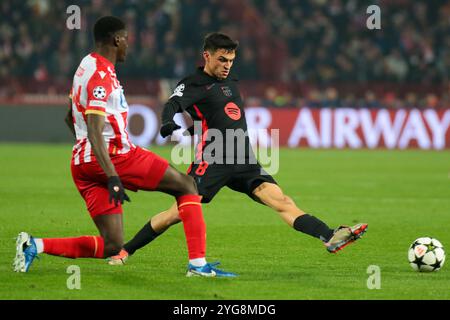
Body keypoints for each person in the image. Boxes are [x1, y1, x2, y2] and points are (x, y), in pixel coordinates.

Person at [109, 33, 368, 268]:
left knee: (282, 201)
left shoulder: (230, 78)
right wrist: (168, 121)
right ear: (207, 56)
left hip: (244, 157)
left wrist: (198, 127)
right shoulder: (194, 83)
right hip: (213, 159)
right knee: (177, 213)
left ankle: (329, 235)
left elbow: (218, 114)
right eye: (222, 59)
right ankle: (125, 250)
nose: (227, 65)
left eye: (231, 60)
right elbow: (173, 103)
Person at [13, 17, 235, 277]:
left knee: (112, 244)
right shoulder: (101, 75)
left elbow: (69, 116)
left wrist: (90, 153)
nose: (129, 45)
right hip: (116, 156)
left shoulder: (85, 65)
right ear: (117, 40)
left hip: (82, 163)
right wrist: (112, 176)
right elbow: (95, 129)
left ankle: (33, 245)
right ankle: (198, 266)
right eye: (127, 39)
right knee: (187, 185)